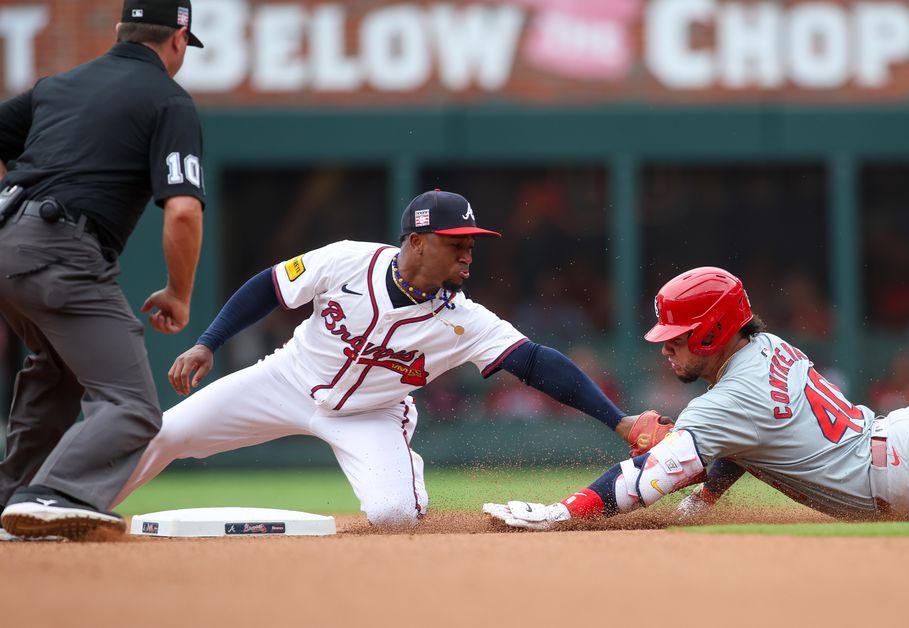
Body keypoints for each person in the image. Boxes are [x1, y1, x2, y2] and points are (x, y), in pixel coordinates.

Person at [484, 234, 909, 528]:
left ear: (716, 331)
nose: (667, 350)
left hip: (908, 471)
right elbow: (743, 443)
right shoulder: (767, 348)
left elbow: (641, 482)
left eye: (678, 337)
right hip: (908, 438)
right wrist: (713, 494)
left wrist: (565, 511)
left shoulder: (728, 398)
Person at [109, 189, 663, 527]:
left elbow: (539, 363)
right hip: (287, 379)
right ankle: (77, 507)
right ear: (417, 243)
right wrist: (209, 341)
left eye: (472, 243)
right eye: (456, 243)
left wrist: (619, 421)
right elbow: (269, 287)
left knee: (394, 518)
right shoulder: (347, 261)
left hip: (373, 414)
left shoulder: (466, 321)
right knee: (166, 431)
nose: (469, 253)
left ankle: (405, 489)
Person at [0, 0, 206, 540]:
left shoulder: (57, 85)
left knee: (59, 372)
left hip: (8, 246)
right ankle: (53, 493)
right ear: (178, 40)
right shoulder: (169, 99)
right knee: (134, 407)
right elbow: (183, 210)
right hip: (61, 251)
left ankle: (10, 498)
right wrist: (179, 294)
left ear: (121, 31)